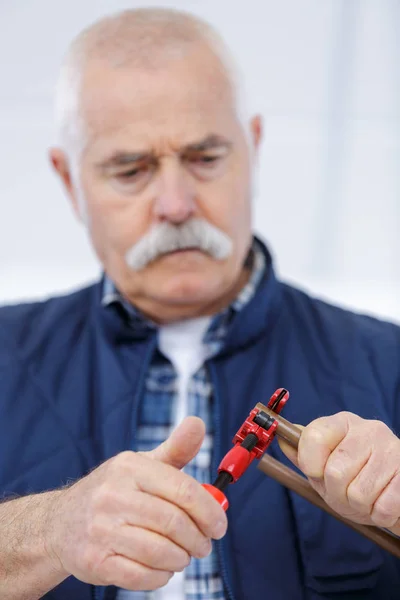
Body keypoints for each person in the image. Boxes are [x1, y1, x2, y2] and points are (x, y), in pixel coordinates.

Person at [1, 7, 400, 600]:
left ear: (254, 148)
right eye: (130, 169)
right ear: (69, 182)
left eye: (205, 158)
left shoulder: (388, 362)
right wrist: (47, 531)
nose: (176, 203)